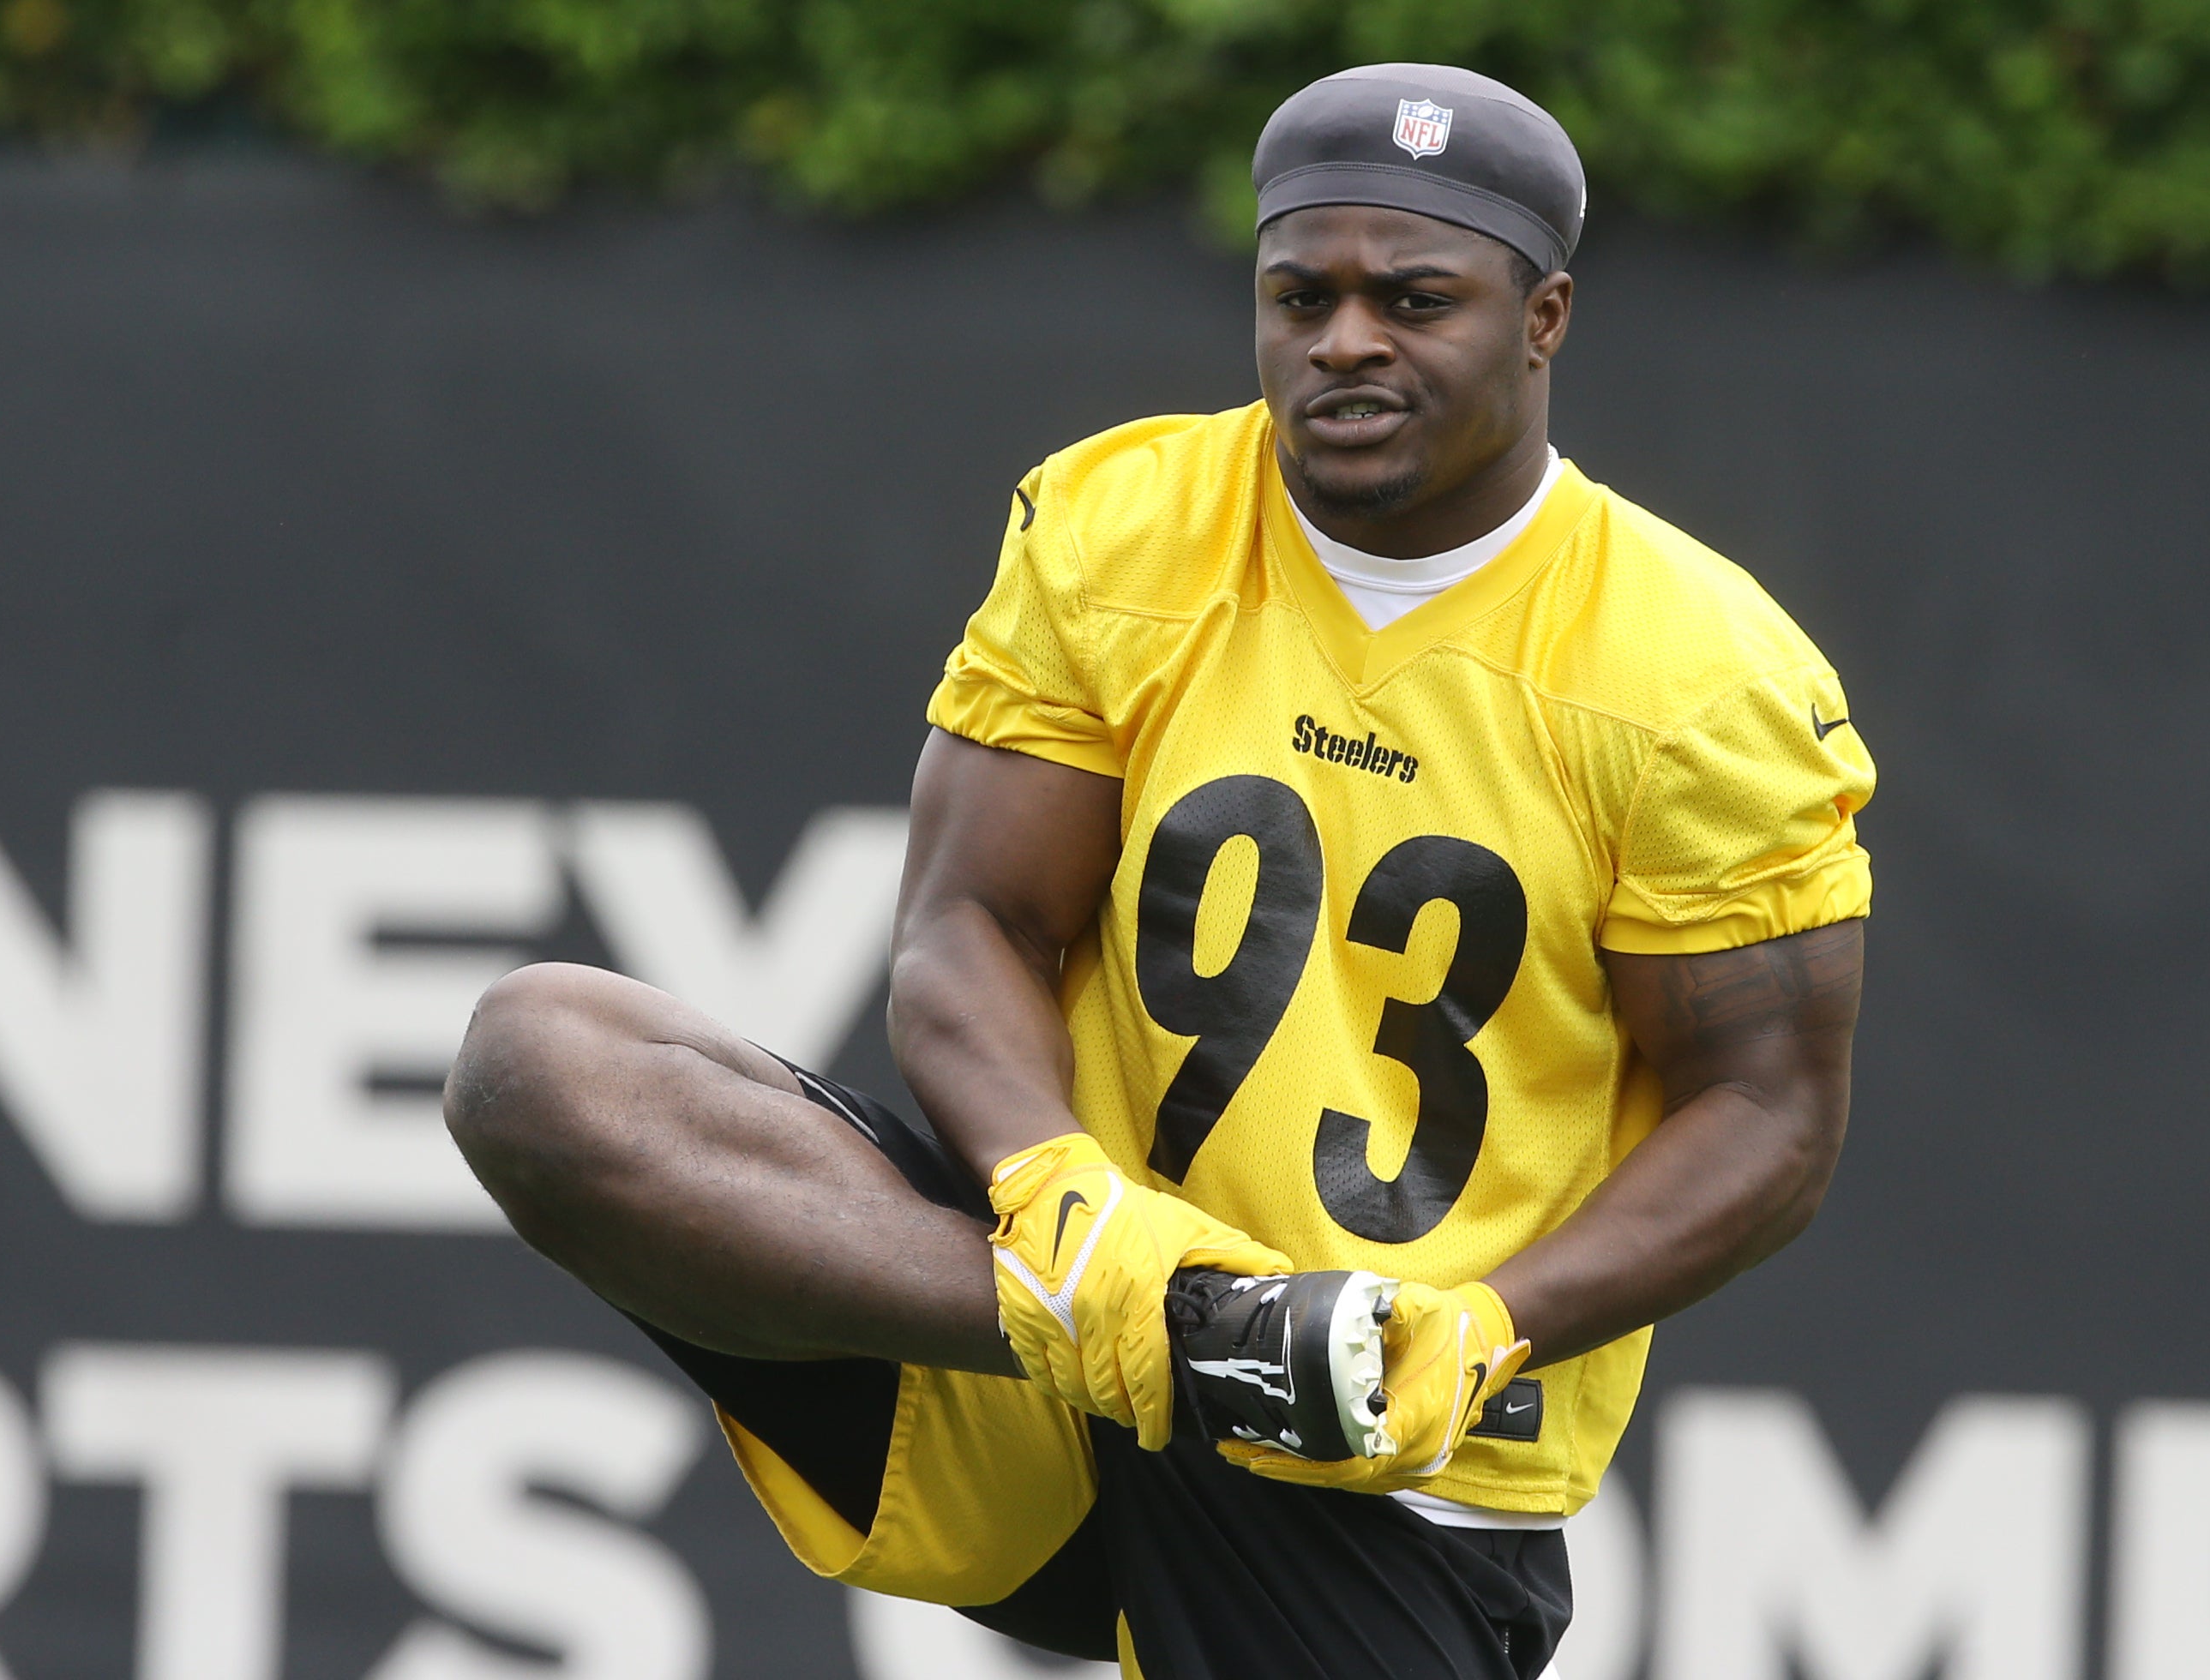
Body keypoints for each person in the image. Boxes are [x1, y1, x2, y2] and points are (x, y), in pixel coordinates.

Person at [444, 62, 1876, 1679]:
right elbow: (971, 925)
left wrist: (1486, 1330)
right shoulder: (1128, 527)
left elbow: (1766, 1117)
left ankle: (1226, 1342)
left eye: (1415, 299)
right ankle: (1189, 1332)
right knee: (542, 1064)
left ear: (1541, 318)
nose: (1346, 342)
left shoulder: (1702, 676)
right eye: (1301, 295)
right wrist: (1069, 1209)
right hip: (1058, 1337)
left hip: (1377, 1455)